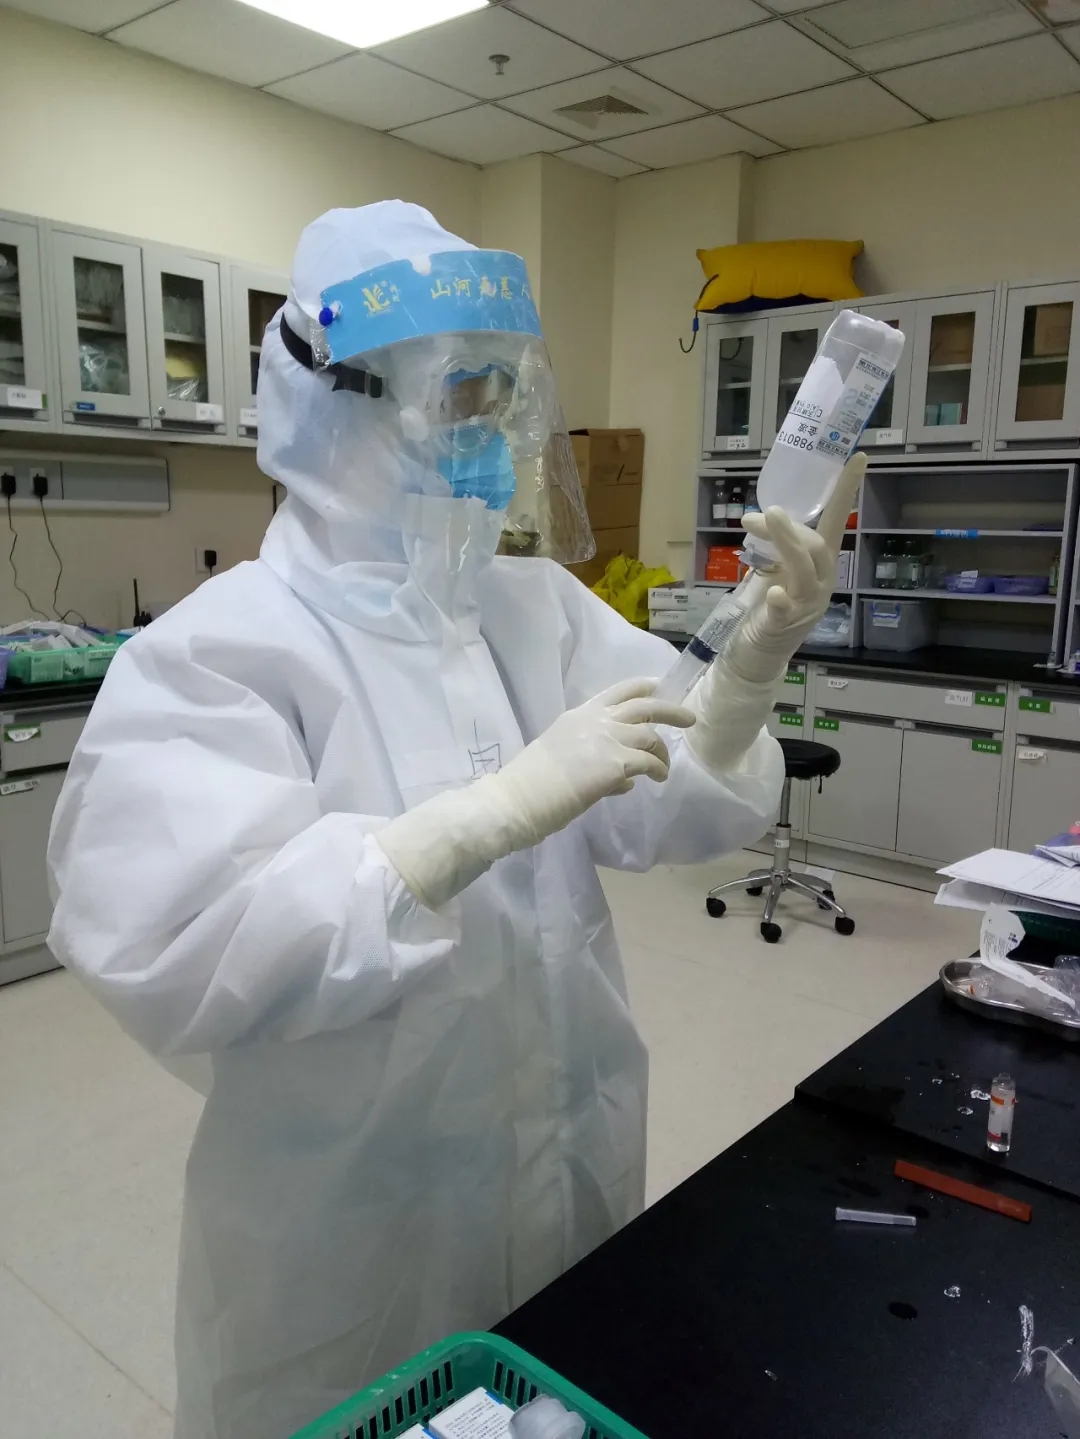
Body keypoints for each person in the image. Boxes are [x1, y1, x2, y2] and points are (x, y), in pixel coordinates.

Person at [47, 201, 863, 1439]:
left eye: (504, 398)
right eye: (461, 398)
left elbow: (676, 803)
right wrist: (480, 817)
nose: (493, 437)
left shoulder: (528, 608)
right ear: (336, 404)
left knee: (559, 1387)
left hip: (567, 1150)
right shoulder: (220, 652)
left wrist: (749, 667)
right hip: (355, 1220)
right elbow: (183, 944)